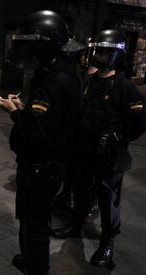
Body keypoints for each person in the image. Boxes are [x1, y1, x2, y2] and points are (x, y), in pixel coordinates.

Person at [51, 29, 146, 269]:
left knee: (107, 200)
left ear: (114, 55)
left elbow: (139, 122)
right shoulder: (89, 82)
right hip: (85, 150)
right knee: (81, 193)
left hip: (109, 155)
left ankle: (107, 242)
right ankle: (75, 225)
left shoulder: (125, 88)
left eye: (102, 52)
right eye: (96, 50)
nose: (96, 56)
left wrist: (119, 139)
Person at [0, 10, 80, 275]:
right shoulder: (63, 73)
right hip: (48, 165)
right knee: (33, 220)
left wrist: (15, 112)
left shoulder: (54, 80)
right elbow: (48, 119)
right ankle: (32, 261)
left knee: (35, 224)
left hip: (41, 167)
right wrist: (26, 108)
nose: (28, 55)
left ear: (43, 46)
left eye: (31, 48)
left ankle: (36, 267)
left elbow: (37, 132)